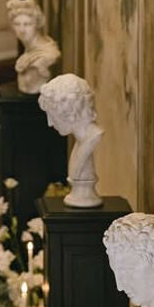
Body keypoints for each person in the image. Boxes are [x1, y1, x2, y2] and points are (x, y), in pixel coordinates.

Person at [38, 73, 102, 208]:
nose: (50, 123)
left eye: (51, 114)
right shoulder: (80, 143)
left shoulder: (91, 138)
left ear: (67, 110)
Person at [6, 0, 61, 94]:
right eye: (17, 24)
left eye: (27, 24)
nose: (22, 30)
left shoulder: (47, 55)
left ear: (37, 25)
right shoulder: (28, 51)